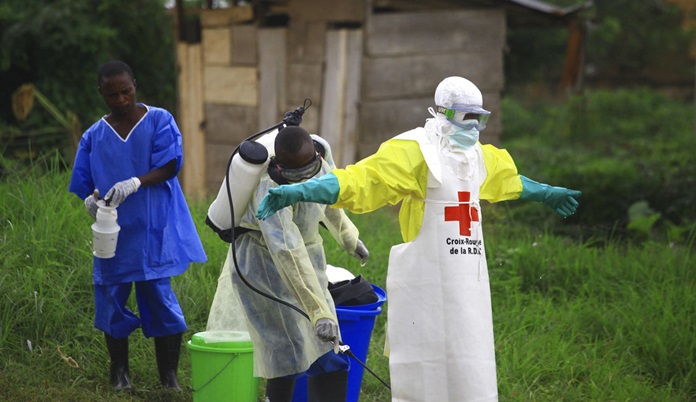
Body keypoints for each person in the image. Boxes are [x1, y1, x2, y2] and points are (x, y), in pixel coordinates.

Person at [256, 76, 582, 401]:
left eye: (480, 118)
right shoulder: (416, 151)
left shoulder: (478, 158)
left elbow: (508, 180)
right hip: (426, 284)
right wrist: (300, 190)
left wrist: (547, 193)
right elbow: (360, 181)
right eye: (466, 117)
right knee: (427, 367)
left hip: (469, 288)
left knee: (472, 359)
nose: (474, 127)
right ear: (442, 113)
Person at [69, 60, 207, 392]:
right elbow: (85, 180)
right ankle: (119, 375)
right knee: (110, 298)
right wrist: (91, 199)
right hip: (112, 232)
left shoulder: (159, 120)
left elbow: (170, 164)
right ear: (100, 92)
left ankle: (168, 377)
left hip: (151, 226)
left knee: (159, 297)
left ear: (135, 84)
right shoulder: (94, 136)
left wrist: (135, 182)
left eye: (125, 91)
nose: (120, 100)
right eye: (112, 94)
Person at [205, 125, 370, 402]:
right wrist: (319, 312)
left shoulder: (321, 150)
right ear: (280, 168)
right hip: (263, 266)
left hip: (309, 256)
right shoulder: (268, 188)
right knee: (286, 351)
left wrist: (349, 238)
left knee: (330, 348)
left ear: (316, 155)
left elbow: (328, 194)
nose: (305, 180)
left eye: (310, 171)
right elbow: (287, 250)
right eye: (296, 176)